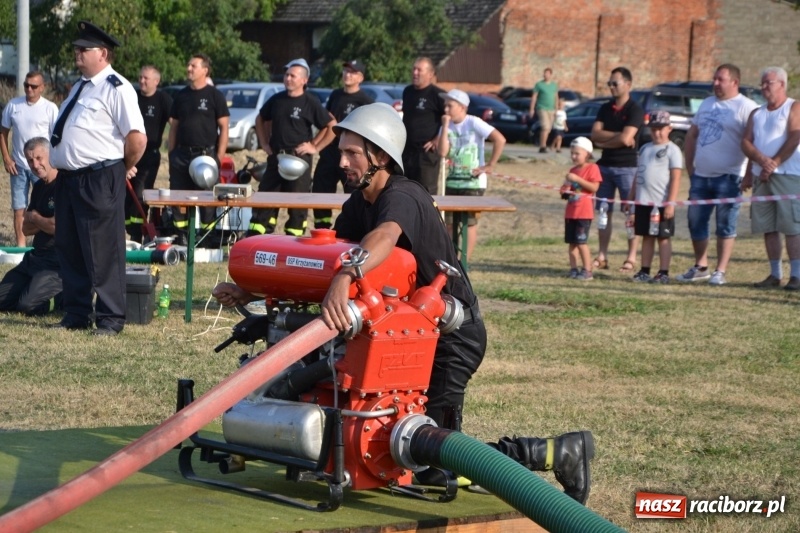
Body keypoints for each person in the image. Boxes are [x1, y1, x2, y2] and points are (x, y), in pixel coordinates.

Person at [213, 103, 594, 504]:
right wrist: (250, 294)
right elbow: (329, 264)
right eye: (340, 151)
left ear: (380, 156)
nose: (341, 161)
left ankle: (557, 452)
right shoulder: (358, 203)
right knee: (403, 439)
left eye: (352, 153)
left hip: (451, 336)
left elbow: (383, 238)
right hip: (404, 335)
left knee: (435, 457)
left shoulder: (403, 196)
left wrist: (346, 275)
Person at [49, 20, 146, 336]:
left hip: (99, 178)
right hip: (69, 180)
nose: (77, 53)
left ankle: (110, 318)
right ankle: (76, 314)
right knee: (71, 246)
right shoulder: (79, 86)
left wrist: (118, 167)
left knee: (103, 250)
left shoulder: (117, 87)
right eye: (76, 48)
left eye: (84, 49)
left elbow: (136, 139)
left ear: (102, 53)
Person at [676, 64, 758, 286]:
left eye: (720, 79)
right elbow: (692, 135)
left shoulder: (747, 107)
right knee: (695, 221)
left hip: (729, 177)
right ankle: (701, 266)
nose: (715, 83)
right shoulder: (707, 104)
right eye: (714, 79)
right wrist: (690, 167)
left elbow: (752, 144)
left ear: (734, 82)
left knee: (725, 224)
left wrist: (749, 174)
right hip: (701, 176)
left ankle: (720, 270)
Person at [248, 58, 336, 237]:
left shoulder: (310, 102)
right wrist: (264, 142)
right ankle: (258, 241)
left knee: (297, 208)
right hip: (276, 160)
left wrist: (314, 146)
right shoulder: (276, 100)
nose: (288, 78)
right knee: (265, 201)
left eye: (293, 76)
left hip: (298, 160)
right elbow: (260, 119)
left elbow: (331, 126)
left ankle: (292, 244)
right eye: (287, 75)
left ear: (304, 80)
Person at [741, 67, 800, 290]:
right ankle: (775, 274)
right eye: (762, 83)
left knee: (792, 226)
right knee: (768, 226)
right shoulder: (756, 113)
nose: (764, 87)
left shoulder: (793, 107)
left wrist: (773, 162)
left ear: (782, 85)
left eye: (769, 83)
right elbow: (746, 142)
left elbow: (795, 136)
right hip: (761, 178)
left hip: (788, 176)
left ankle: (797, 275)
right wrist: (758, 163)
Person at [438, 89, 506, 262]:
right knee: (450, 224)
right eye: (445, 105)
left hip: (473, 183)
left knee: (469, 223)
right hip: (453, 181)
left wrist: (490, 164)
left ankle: (464, 261)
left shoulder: (474, 122)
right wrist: (445, 126)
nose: (446, 109)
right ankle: (451, 259)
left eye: (450, 105)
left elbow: (500, 139)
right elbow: (442, 152)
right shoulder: (446, 127)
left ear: (462, 107)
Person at [167, 54, 229, 245]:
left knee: (207, 200)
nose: (189, 69)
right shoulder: (181, 95)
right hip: (182, 155)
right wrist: (172, 154)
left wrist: (218, 157)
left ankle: (207, 237)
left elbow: (224, 127)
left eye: (193, 66)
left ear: (205, 70)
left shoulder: (214, 95)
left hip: (206, 156)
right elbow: (174, 127)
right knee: (179, 199)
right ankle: (182, 236)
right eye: (188, 65)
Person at [590, 66, 645, 273]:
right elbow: (595, 135)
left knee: (631, 214)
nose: (611, 87)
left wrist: (608, 139)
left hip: (627, 168)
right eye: (610, 83)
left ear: (628, 84)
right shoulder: (605, 108)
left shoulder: (635, 109)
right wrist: (617, 138)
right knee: (603, 212)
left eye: (615, 83)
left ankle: (631, 257)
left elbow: (627, 137)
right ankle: (602, 255)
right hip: (604, 167)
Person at [0, 138, 62, 315]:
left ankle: (60, 291)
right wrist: (43, 222)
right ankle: (29, 289)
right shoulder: (38, 187)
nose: (35, 164)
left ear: (50, 155)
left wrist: (34, 217)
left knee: (26, 306)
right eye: (30, 160)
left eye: (39, 158)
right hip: (35, 257)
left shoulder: (63, 186)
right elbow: (25, 229)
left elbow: (56, 227)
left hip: (56, 263)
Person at [311, 59, 373, 229]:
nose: (347, 75)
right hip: (331, 152)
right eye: (346, 71)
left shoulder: (365, 101)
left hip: (351, 156)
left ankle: (353, 229)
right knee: (320, 191)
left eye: (352, 72)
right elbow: (328, 123)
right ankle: (322, 229)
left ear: (360, 77)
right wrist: (315, 145)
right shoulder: (336, 95)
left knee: (354, 193)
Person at [0, 71, 58, 246]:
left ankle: (42, 242)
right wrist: (6, 159)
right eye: (26, 85)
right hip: (19, 165)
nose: (29, 89)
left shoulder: (50, 108)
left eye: (33, 86)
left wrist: (52, 164)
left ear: (42, 87)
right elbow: (3, 132)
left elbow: (56, 138)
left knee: (44, 207)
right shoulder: (13, 106)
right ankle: (20, 245)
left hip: (42, 167)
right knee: (19, 207)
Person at [624, 111, 683, 284]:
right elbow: (638, 175)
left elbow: (676, 178)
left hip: (661, 203)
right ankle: (644, 270)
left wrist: (670, 203)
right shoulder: (645, 148)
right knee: (646, 236)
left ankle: (663, 271)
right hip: (643, 201)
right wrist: (631, 197)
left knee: (663, 237)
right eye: (653, 129)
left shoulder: (673, 150)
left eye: (660, 129)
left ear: (669, 129)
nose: (657, 132)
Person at [125, 65, 172, 243]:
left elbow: (174, 123)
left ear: (156, 81)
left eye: (146, 78)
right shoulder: (132, 98)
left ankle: (139, 234)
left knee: (140, 195)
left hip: (149, 156)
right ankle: (128, 231)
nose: (142, 81)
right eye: (140, 77)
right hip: (128, 154)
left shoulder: (163, 99)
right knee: (124, 196)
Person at [559, 137, 601, 280]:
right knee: (572, 243)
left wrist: (577, 180)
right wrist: (564, 189)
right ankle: (573, 268)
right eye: (572, 153)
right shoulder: (572, 170)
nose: (573, 156)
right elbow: (566, 190)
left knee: (581, 242)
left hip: (584, 213)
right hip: (571, 213)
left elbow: (594, 187)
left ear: (587, 154)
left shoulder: (592, 168)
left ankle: (587, 270)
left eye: (577, 153)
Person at [402, 57, 445, 195]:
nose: (415, 73)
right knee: (405, 190)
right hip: (407, 151)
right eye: (414, 69)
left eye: (419, 70)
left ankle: (427, 217)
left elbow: (449, 121)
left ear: (430, 74)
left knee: (425, 193)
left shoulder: (438, 95)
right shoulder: (407, 92)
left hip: (426, 154)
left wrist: (437, 138)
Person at [528, 67, 558, 153]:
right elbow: (534, 97)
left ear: (551, 75)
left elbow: (556, 97)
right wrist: (532, 109)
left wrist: (557, 109)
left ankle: (543, 144)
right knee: (545, 126)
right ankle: (542, 146)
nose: (546, 75)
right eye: (545, 73)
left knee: (548, 129)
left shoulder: (554, 85)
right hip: (542, 108)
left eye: (548, 73)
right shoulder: (539, 85)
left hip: (551, 109)